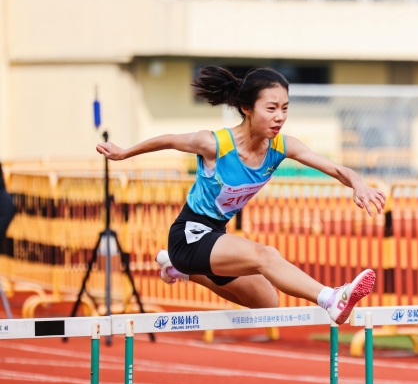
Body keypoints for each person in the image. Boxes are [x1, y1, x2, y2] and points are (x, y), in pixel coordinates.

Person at [96, 67, 385, 324]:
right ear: (247, 108)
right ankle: (330, 298)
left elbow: (334, 167)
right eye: (271, 108)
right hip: (189, 234)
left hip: (216, 240)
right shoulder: (214, 144)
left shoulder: (281, 147)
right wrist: (125, 153)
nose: (279, 117)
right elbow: (170, 139)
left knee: (267, 303)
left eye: (285, 108)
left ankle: (179, 268)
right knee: (266, 255)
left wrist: (357, 183)